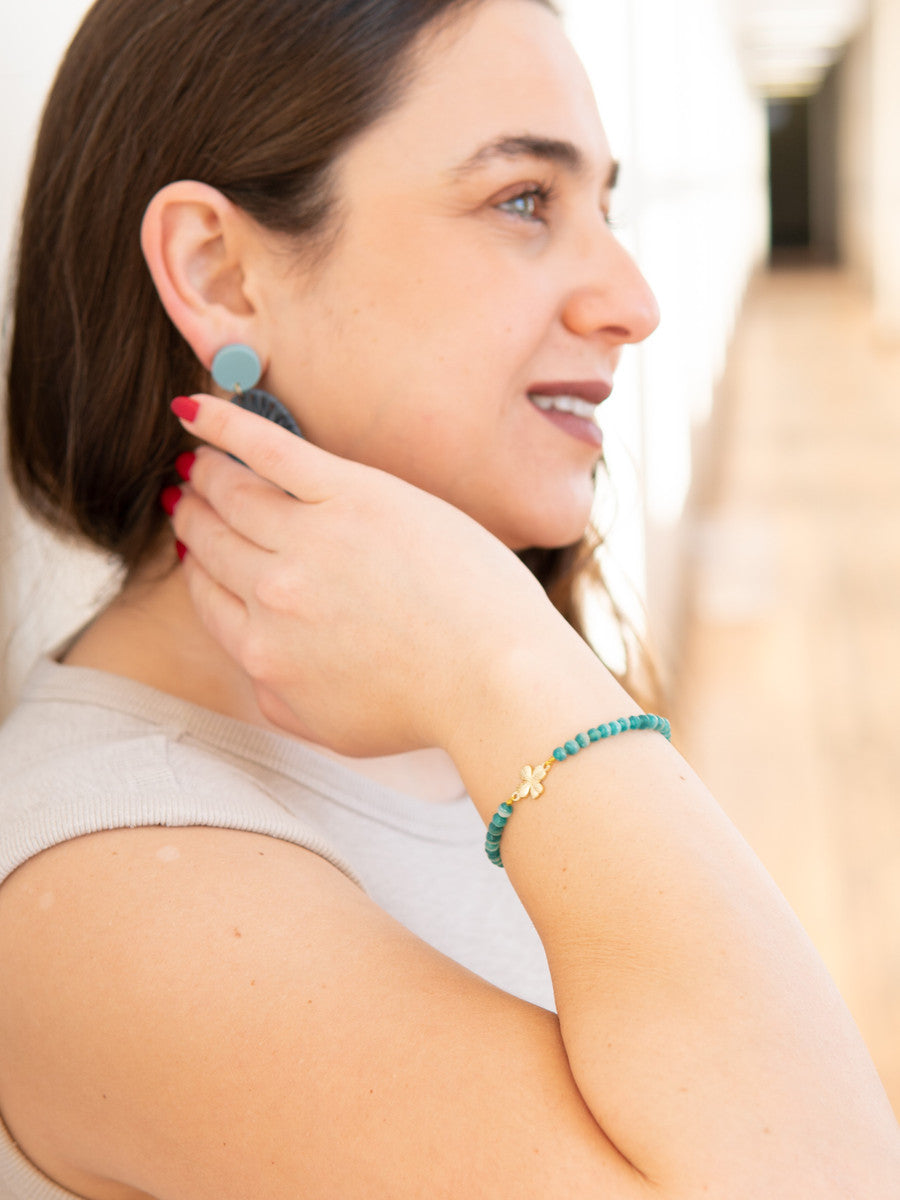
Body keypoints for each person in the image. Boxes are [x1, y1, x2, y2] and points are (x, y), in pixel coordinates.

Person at [0, 0, 897, 1196]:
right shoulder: (106, 895)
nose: (633, 301)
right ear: (219, 272)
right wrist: (503, 667)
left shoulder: (436, 691)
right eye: (524, 200)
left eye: (607, 207)